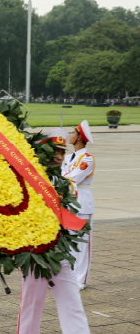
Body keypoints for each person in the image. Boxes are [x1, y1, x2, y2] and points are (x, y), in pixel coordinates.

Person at [17, 128, 93, 334]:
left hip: (59, 252)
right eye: (54, 150)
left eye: (62, 151)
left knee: (73, 304)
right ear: (41, 151)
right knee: (30, 307)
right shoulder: (26, 181)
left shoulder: (66, 183)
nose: (60, 156)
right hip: (34, 255)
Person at [62, 120, 95, 290]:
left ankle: (81, 279)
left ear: (80, 137)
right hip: (68, 202)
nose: (70, 135)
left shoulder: (87, 159)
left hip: (82, 202)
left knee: (82, 244)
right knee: (68, 242)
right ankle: (69, 276)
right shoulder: (68, 157)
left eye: (73, 133)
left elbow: (71, 178)